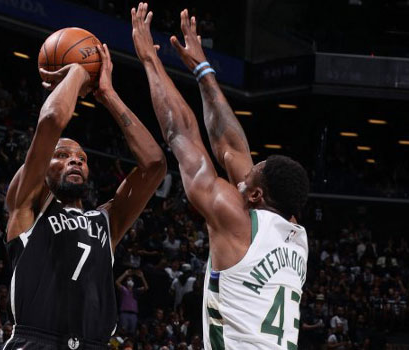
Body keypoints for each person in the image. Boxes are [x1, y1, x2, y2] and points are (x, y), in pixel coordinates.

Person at [131, 4, 310, 350]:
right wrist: (202, 70)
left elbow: (181, 135)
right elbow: (231, 147)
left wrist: (150, 62)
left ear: (256, 196)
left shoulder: (237, 221)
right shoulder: (297, 236)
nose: (246, 169)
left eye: (251, 176)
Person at [3, 42, 165, 350]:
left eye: (81, 157)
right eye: (62, 155)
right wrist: (78, 72)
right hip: (37, 342)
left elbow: (155, 165)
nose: (75, 160)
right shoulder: (27, 206)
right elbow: (51, 119)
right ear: (41, 164)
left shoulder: (106, 221)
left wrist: (108, 95)